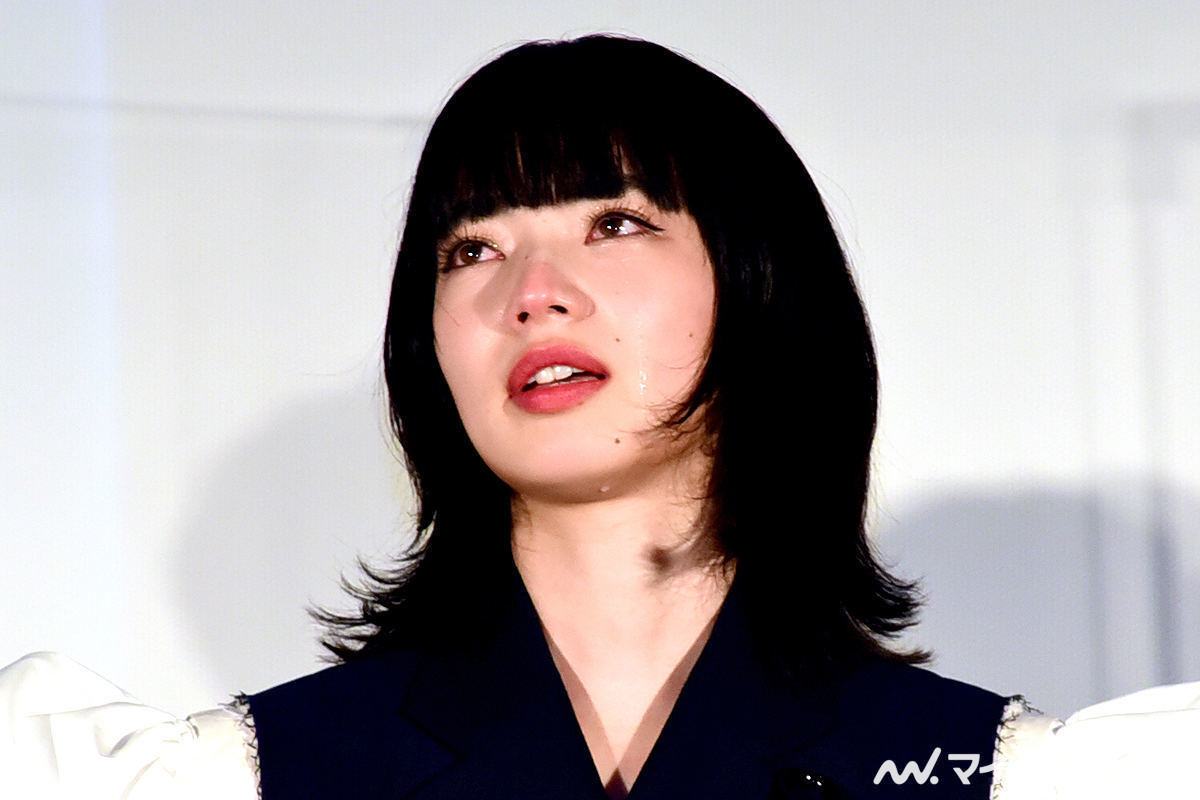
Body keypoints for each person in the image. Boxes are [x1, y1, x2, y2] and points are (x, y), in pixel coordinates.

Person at [1, 34, 1196, 800]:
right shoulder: (232, 777)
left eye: (614, 222)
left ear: (759, 281)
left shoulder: (994, 776)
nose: (532, 292)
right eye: (471, 248)